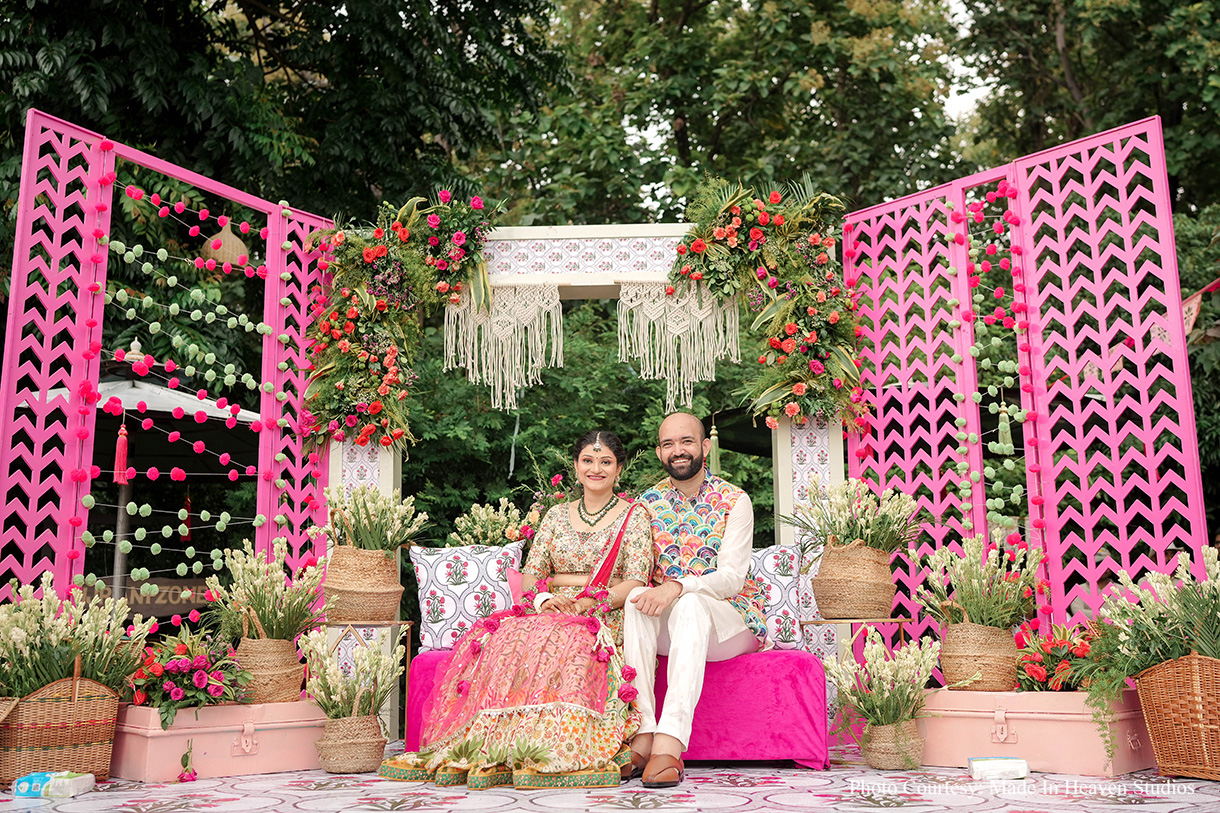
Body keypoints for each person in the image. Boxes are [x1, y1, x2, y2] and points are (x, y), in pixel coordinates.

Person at [379, 430, 654, 790]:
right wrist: (543, 600)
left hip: (603, 610)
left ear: (619, 469)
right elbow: (532, 576)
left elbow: (635, 580)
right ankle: (501, 748)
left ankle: (555, 746)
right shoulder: (556, 516)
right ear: (576, 467)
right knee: (510, 634)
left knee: (568, 639)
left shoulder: (634, 516)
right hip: (551, 607)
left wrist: (587, 602)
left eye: (605, 462)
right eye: (588, 460)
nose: (596, 468)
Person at [621, 412, 767, 788]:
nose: (678, 451)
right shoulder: (646, 505)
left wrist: (678, 586)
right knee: (636, 596)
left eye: (686, 441)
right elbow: (636, 571)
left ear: (704, 446)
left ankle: (670, 742)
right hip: (675, 623)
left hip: (731, 622)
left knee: (688, 603)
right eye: (668, 444)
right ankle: (642, 732)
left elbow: (732, 579)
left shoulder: (735, 500)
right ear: (658, 453)